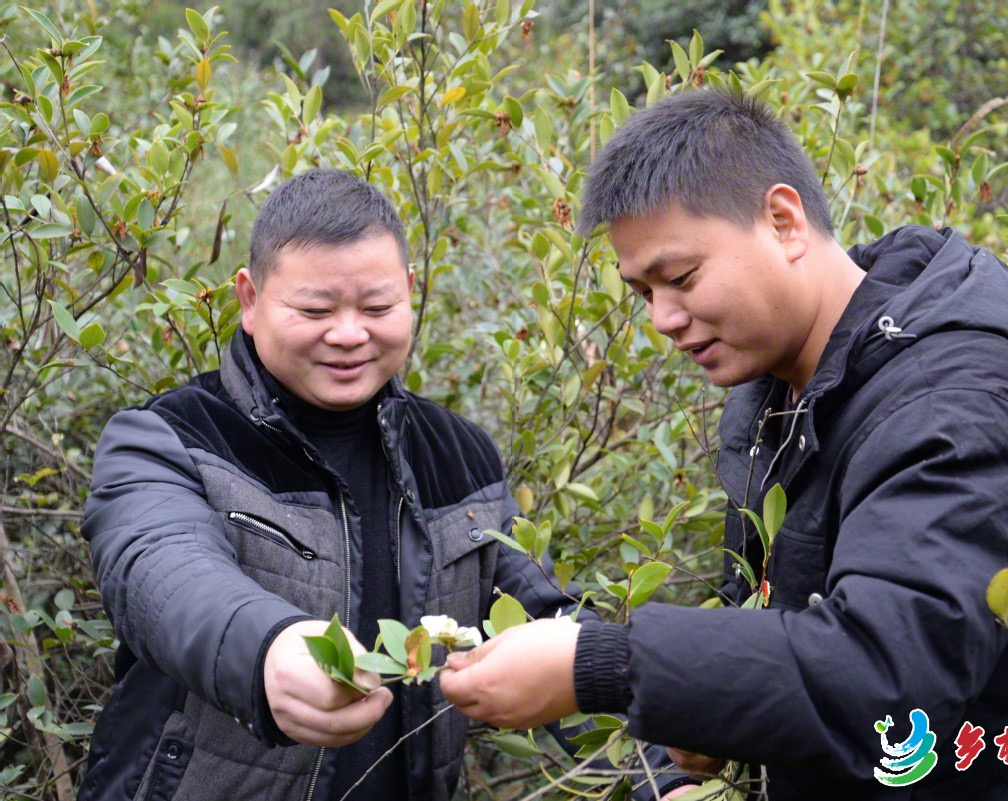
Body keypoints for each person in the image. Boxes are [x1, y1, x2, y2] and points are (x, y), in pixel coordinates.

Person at [439, 90, 1008, 799]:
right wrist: (675, 771)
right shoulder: (779, 393)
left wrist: (602, 663)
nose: (662, 319)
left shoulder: (951, 394)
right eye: (642, 293)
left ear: (783, 221)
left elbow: (891, 677)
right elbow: (771, 626)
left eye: (680, 278)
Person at [79, 169, 679, 801]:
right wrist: (268, 653)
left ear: (411, 293)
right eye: (314, 310)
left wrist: (661, 774)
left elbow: (541, 622)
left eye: (377, 307)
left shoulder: (460, 455)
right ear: (250, 300)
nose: (348, 334)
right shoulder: (168, 437)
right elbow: (158, 571)